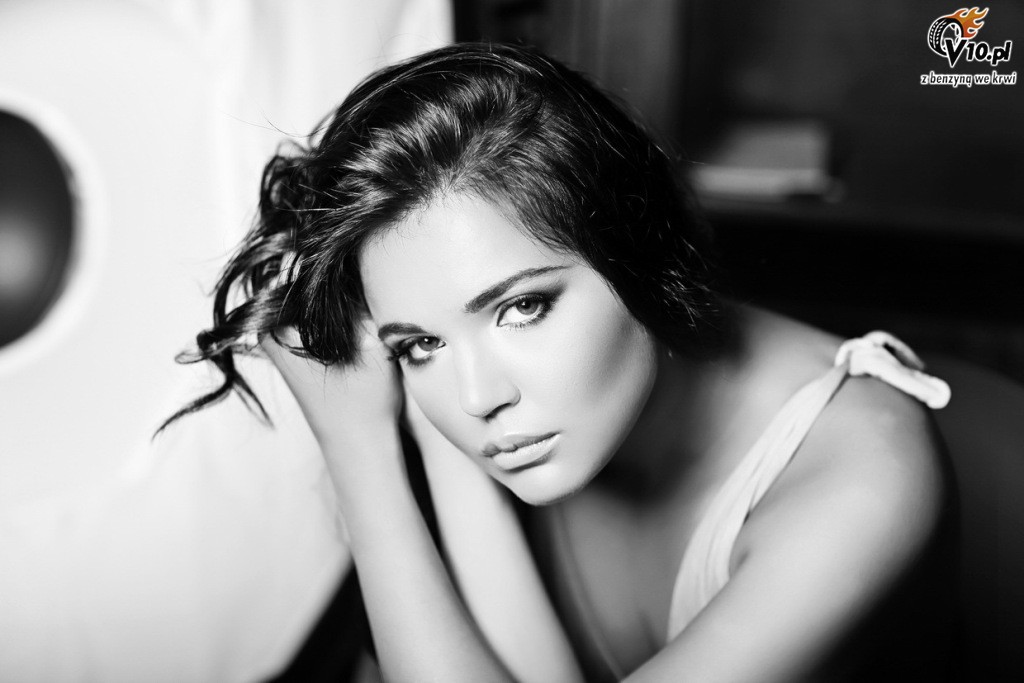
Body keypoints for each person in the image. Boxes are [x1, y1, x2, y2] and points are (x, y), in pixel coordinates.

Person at [168, 43, 959, 682]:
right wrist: (383, 429)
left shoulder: (863, 480)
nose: (477, 397)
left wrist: (358, 456)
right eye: (419, 344)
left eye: (522, 307)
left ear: (637, 246)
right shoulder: (522, 411)